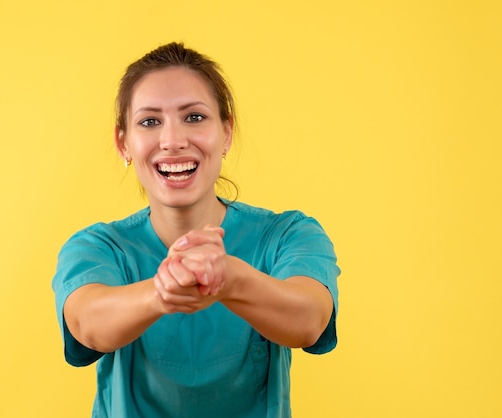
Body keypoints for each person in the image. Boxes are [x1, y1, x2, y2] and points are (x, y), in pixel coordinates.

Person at [52, 42, 340, 418]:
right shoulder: (98, 248)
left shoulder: (288, 235)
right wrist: (163, 292)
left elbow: (309, 320)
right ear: (123, 143)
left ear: (226, 132)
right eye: (149, 121)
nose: (173, 141)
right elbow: (87, 324)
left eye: (194, 117)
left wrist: (232, 280)